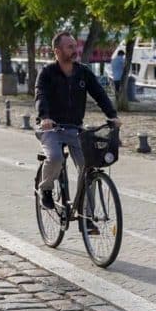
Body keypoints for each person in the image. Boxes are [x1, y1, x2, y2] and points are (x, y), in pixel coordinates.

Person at [35, 32, 121, 213]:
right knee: (56, 157)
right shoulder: (47, 73)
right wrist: (45, 117)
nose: (75, 50)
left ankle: (87, 217)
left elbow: (99, 94)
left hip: (75, 128)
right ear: (57, 51)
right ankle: (46, 190)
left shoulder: (83, 72)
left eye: (75, 46)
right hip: (51, 128)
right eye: (70, 47)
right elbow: (40, 95)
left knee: (88, 168)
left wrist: (112, 115)